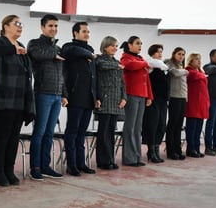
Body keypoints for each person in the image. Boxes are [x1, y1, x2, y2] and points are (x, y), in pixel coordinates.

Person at [0, 15, 35, 186]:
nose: (20, 27)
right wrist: (14, 50)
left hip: (20, 100)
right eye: (16, 24)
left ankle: (9, 169)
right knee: (2, 135)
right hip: (3, 99)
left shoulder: (21, 46)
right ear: (6, 26)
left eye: (21, 24)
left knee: (14, 137)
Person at [27, 14, 68, 181]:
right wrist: (53, 54)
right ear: (42, 27)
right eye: (50, 26)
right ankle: (35, 168)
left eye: (56, 26)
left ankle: (45, 166)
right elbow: (35, 54)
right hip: (42, 93)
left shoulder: (57, 49)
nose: (54, 29)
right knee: (40, 132)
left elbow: (62, 74)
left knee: (50, 133)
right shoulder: (35, 44)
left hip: (57, 96)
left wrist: (64, 93)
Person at [61, 21, 97, 176]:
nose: (87, 34)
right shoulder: (69, 47)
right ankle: (72, 164)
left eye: (88, 32)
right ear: (75, 33)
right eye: (84, 31)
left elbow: (94, 76)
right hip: (75, 96)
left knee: (82, 132)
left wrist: (97, 96)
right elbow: (72, 50)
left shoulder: (90, 50)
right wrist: (89, 55)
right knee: (72, 131)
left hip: (89, 98)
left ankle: (81, 163)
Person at [94, 36, 127, 170]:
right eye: (112, 45)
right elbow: (102, 66)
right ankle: (103, 161)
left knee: (111, 133)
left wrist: (124, 97)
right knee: (103, 133)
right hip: (105, 100)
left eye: (116, 45)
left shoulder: (116, 62)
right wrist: (118, 66)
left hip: (116, 101)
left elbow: (122, 83)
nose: (115, 48)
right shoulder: (100, 60)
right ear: (105, 46)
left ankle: (110, 159)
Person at [120, 36, 153, 167]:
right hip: (131, 94)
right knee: (130, 127)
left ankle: (137, 156)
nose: (140, 46)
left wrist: (149, 96)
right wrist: (145, 64)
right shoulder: (126, 57)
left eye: (141, 43)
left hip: (142, 95)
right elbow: (130, 66)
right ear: (129, 45)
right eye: (137, 43)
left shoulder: (141, 59)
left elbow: (147, 80)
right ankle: (129, 158)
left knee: (138, 127)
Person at [142, 44, 169, 163]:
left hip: (163, 99)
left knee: (161, 125)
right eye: (158, 52)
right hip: (153, 99)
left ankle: (156, 149)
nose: (160, 54)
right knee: (152, 124)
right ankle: (151, 150)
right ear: (152, 53)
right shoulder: (151, 64)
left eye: (161, 52)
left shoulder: (163, 67)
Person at [164, 47, 188, 160]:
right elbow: (174, 73)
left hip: (182, 97)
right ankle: (170, 151)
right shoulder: (169, 62)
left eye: (183, 54)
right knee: (172, 124)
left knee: (179, 125)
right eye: (179, 54)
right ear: (173, 54)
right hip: (174, 97)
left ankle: (178, 150)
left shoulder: (180, 66)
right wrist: (186, 71)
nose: (181, 56)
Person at [185, 52, 210, 158]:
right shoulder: (189, 71)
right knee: (192, 128)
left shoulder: (199, 72)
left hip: (201, 104)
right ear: (191, 61)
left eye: (199, 59)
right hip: (193, 103)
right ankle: (190, 149)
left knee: (199, 128)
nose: (199, 61)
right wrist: (203, 75)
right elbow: (196, 76)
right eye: (196, 59)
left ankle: (196, 148)